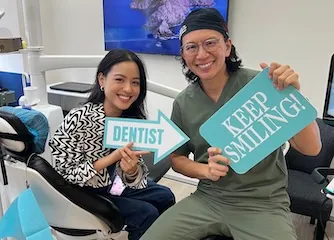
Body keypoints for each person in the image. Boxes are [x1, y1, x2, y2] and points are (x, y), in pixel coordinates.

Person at [141, 8, 322, 240]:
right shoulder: (184, 103)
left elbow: (312, 149)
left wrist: (293, 97)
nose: (201, 54)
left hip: (263, 203)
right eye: (191, 47)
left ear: (227, 46)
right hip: (208, 199)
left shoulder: (262, 85)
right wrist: (205, 170)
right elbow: (178, 159)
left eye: (210, 43)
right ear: (184, 55)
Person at [49, 49, 175, 240]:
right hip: (80, 192)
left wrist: (131, 171)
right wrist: (111, 158)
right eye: (119, 80)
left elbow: (134, 178)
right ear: (102, 80)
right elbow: (65, 174)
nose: (128, 89)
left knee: (165, 196)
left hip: (112, 186)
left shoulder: (132, 122)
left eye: (135, 82)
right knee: (146, 213)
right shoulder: (79, 119)